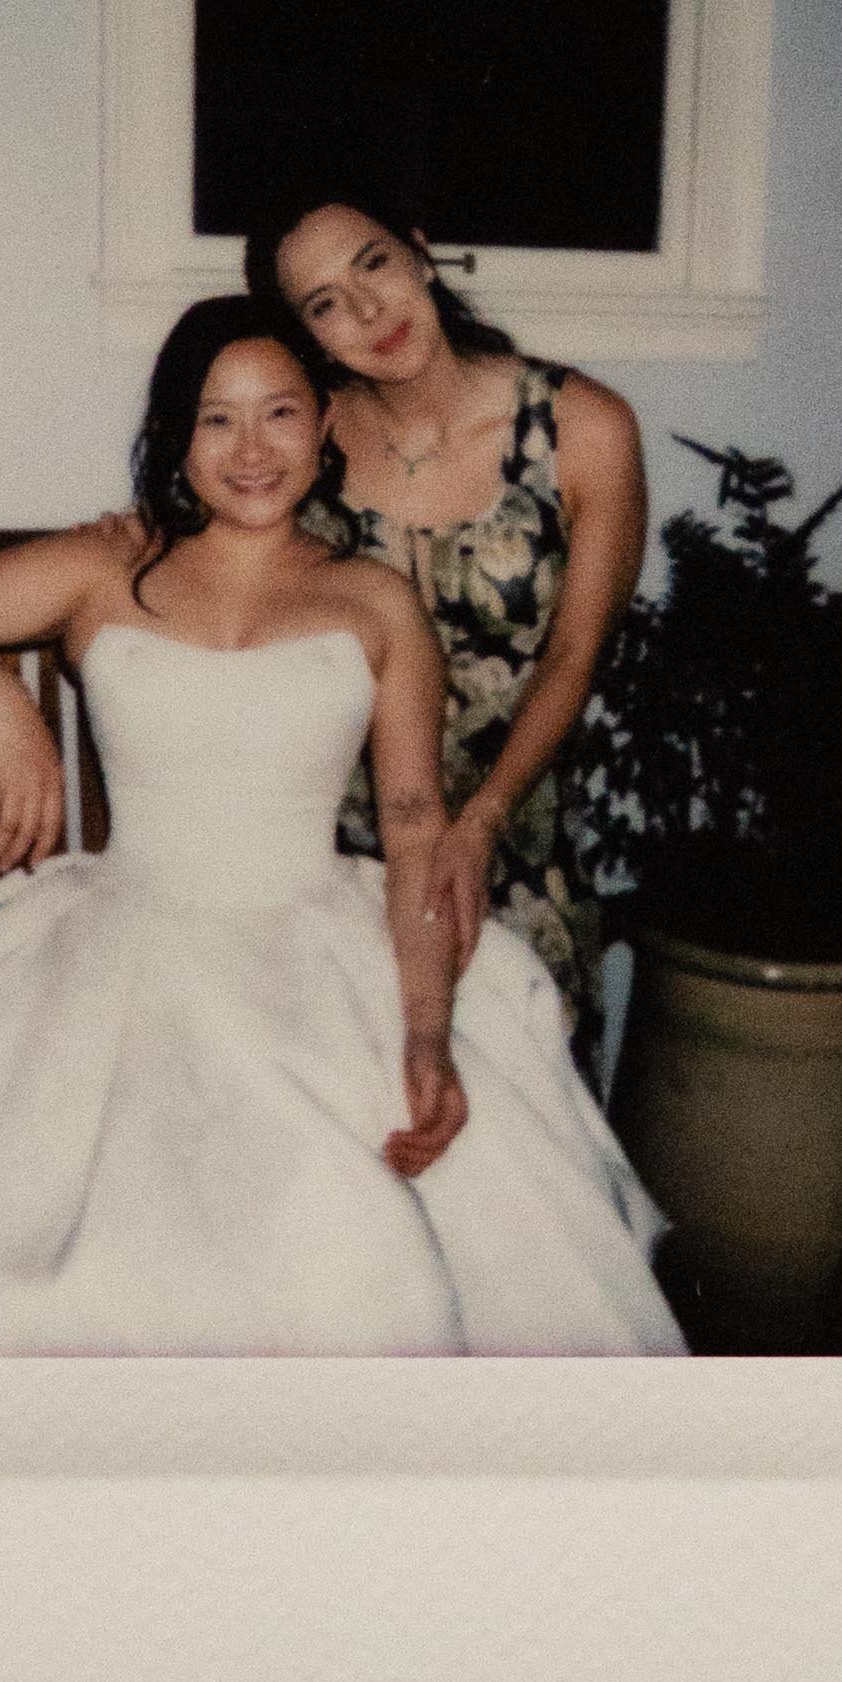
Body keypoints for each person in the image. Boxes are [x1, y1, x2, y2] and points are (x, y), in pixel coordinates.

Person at [0, 296, 683, 1358]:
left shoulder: (373, 602)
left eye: (278, 413)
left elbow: (417, 831)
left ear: (324, 424)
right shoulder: (110, 570)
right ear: (174, 438)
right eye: (214, 419)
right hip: (115, 945)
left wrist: (423, 1029)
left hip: (319, 951)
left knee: (367, 1268)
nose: (249, 450)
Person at [245, 189, 646, 1078]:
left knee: (529, 1152)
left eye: (374, 264)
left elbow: (575, 657)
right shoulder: (302, 439)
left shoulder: (583, 427)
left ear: (420, 253)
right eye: (323, 304)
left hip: (514, 841)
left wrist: (482, 821)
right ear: (306, 334)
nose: (365, 312)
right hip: (337, 862)